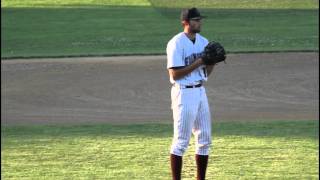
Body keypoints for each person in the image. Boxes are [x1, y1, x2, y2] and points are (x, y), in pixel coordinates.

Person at [166, 7, 215, 180]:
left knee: (205, 140)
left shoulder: (203, 41)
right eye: (196, 20)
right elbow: (175, 74)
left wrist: (212, 62)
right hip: (184, 93)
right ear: (185, 22)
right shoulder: (176, 43)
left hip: (200, 91)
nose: (199, 23)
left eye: (200, 20)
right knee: (181, 142)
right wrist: (201, 60)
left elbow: (206, 73)